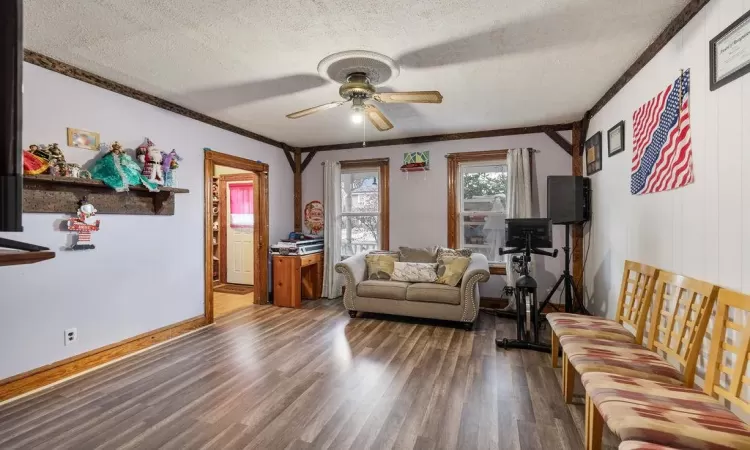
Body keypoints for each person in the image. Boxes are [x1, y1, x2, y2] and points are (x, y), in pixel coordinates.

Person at [90, 141, 160, 192]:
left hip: (124, 169)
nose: (117, 151)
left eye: (118, 149)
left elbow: (129, 162)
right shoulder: (108, 157)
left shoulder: (123, 156)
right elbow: (106, 163)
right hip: (113, 169)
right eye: (115, 150)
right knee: (116, 174)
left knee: (132, 175)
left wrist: (124, 159)